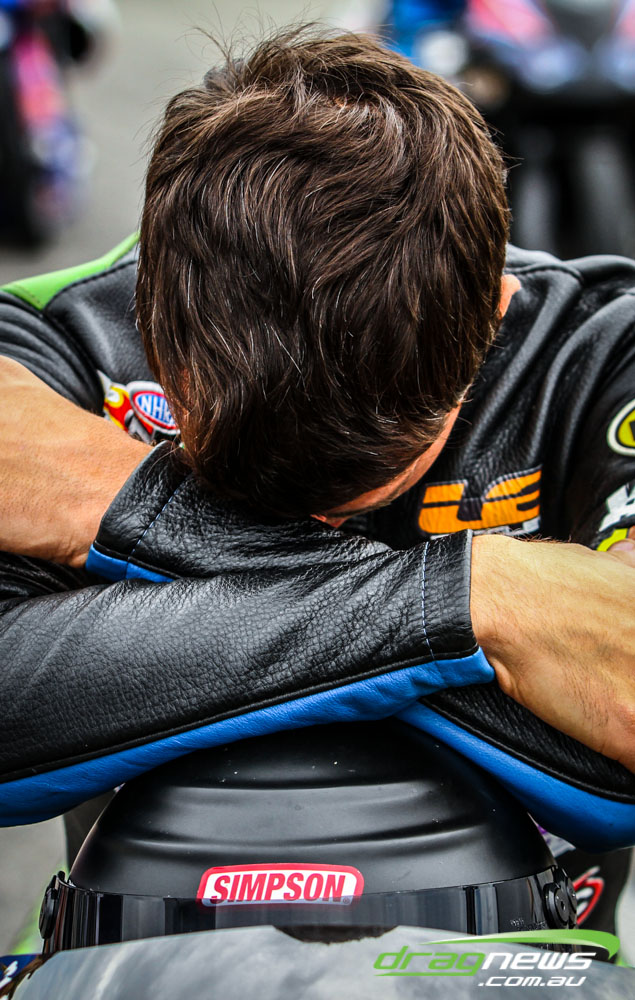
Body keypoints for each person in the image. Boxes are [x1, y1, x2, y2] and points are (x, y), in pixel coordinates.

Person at [0, 30, 634, 918]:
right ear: (150, 310)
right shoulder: (48, 343)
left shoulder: (606, 349)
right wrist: (468, 605)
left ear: (493, 315)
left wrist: (137, 509)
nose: (326, 520)